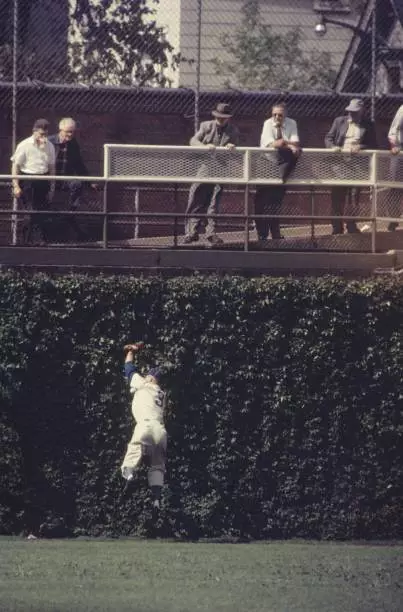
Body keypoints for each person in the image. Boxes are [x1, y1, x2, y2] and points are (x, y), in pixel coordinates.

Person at [184, 102, 240, 246]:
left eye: (224, 117)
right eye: (218, 117)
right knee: (196, 197)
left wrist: (232, 147)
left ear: (228, 118)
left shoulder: (233, 131)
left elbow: (236, 153)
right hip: (205, 168)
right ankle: (192, 232)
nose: (220, 120)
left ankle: (211, 233)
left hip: (221, 169)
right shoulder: (206, 126)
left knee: (214, 202)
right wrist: (204, 146)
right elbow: (193, 140)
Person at [121, 342, 167, 510]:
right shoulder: (162, 393)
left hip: (145, 426)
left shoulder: (143, 384)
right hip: (161, 431)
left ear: (151, 378)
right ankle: (156, 499)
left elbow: (128, 368)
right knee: (157, 465)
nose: (146, 375)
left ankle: (129, 471)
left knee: (134, 447)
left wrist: (131, 351)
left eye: (149, 374)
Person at [325, 98, 377, 235]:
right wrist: (333, 147)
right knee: (337, 197)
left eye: (354, 112)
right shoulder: (339, 121)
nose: (351, 114)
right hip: (340, 165)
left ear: (361, 111)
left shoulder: (368, 125)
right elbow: (328, 138)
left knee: (353, 198)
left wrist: (361, 146)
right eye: (350, 112)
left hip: (357, 167)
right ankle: (337, 227)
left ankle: (352, 226)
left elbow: (374, 145)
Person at [254, 103, 300, 241]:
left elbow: (296, 143)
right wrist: (288, 144)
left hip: (282, 168)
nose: (277, 117)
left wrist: (288, 144)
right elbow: (273, 144)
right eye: (274, 114)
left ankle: (275, 234)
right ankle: (262, 234)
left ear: (285, 114)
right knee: (262, 201)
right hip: (266, 166)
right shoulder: (268, 123)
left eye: (280, 115)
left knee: (275, 201)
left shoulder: (292, 123)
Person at [48, 117, 95, 241]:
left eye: (73, 132)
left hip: (64, 178)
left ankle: (71, 212)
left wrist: (89, 182)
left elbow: (79, 164)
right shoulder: (49, 142)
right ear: (60, 130)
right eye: (68, 132)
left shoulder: (73, 144)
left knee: (77, 184)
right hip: (49, 178)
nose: (70, 134)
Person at [11, 118, 56, 244]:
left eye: (46, 134)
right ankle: (25, 241)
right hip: (28, 180)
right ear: (34, 132)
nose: (43, 137)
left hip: (43, 180)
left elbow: (52, 166)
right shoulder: (24, 145)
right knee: (30, 212)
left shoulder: (50, 146)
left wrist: (52, 187)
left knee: (41, 212)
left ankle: (39, 241)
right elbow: (16, 165)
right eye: (41, 134)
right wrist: (16, 185)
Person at [386, 104, 403, 231]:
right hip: (401, 151)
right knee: (396, 186)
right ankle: (393, 220)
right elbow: (393, 130)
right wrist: (394, 146)